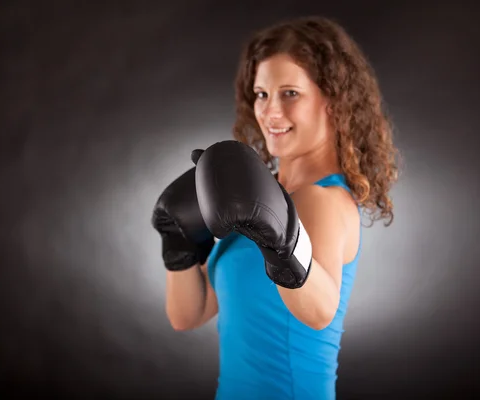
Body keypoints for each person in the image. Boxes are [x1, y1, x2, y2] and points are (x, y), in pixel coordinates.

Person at [151, 15, 400, 400]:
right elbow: (189, 315)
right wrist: (177, 245)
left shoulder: (322, 200)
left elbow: (319, 313)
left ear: (333, 100)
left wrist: (283, 244)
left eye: (290, 93)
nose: (270, 113)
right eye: (262, 94)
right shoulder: (255, 197)